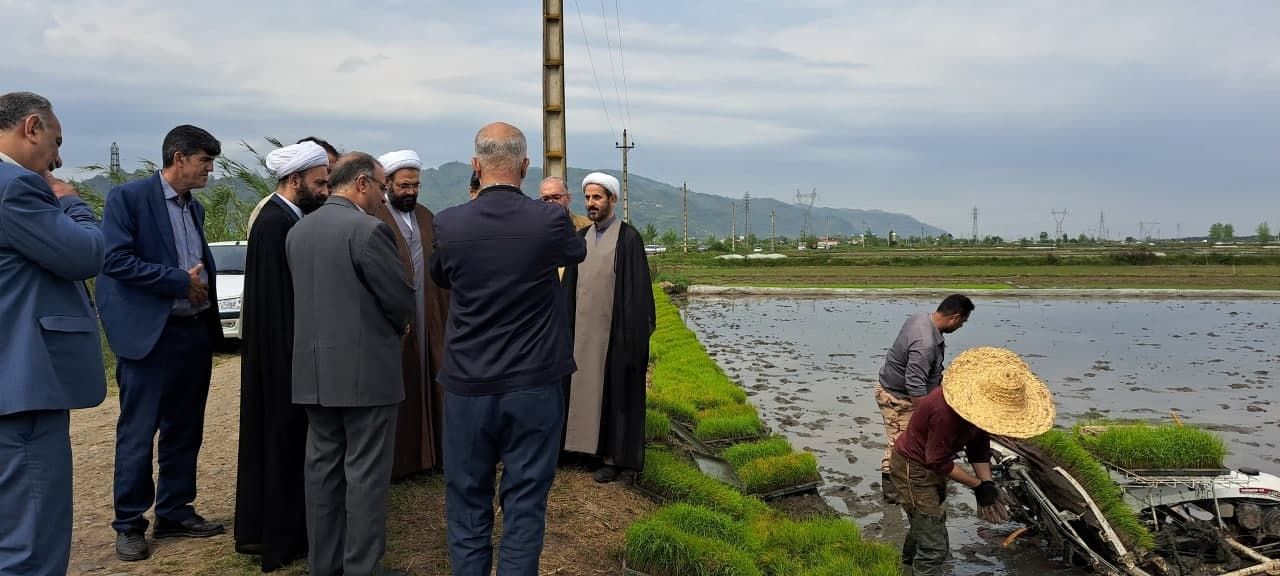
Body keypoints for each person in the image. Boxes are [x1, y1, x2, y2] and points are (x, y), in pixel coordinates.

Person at [429, 122, 585, 575]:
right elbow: (574, 253)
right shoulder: (550, 219)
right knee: (525, 500)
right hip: (534, 382)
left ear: (476, 165)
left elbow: (442, 275)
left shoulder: (450, 222)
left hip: (466, 383)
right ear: (524, 165)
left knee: (466, 497)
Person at [99, 124, 226, 562]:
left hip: (192, 333)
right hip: (149, 336)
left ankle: (174, 511)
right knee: (138, 432)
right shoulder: (128, 198)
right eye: (204, 161)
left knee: (185, 428)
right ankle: (130, 523)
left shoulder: (196, 208)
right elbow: (114, 260)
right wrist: (176, 282)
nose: (210, 170)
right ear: (178, 158)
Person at [287, 152, 414, 576]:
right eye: (381, 187)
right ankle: (362, 568)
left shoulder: (299, 231)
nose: (383, 197)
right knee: (365, 477)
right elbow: (398, 298)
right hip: (365, 376)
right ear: (362, 183)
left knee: (321, 475)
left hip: (312, 374)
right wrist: (402, 325)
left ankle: (324, 565)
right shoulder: (368, 230)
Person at [0, 91, 106, 576]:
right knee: (32, 541)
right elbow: (83, 256)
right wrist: (74, 206)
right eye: (56, 142)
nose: (58, 159)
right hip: (23, 387)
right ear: (33, 127)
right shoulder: (14, 187)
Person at [234, 141, 331, 571]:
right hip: (281, 357)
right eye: (320, 183)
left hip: (279, 353)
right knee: (281, 446)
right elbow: (280, 304)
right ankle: (282, 536)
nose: (326, 190)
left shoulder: (284, 217)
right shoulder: (276, 224)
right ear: (296, 181)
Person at [890, 346, 1054, 576]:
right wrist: (977, 486)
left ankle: (906, 567)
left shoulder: (977, 412)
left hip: (931, 464)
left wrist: (987, 483)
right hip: (914, 467)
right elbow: (935, 460)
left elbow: (978, 446)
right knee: (935, 545)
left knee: (927, 521)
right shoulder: (946, 413)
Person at [560, 172, 655, 483]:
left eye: (597, 197)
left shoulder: (629, 239)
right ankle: (582, 449)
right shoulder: (580, 238)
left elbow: (638, 294)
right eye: (588, 198)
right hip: (582, 334)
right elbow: (569, 288)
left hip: (615, 335)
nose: (592, 203)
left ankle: (614, 458)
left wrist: (632, 339)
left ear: (612, 200)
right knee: (580, 389)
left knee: (615, 393)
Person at [373, 149, 450, 479]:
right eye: (404, 185)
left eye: (415, 185)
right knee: (400, 383)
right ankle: (402, 462)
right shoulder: (375, 217)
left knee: (432, 377)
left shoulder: (426, 215)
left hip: (429, 315)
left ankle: (433, 455)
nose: (410, 192)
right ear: (387, 183)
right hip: (394, 319)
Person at [875, 294, 973, 503]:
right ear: (955, 317)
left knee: (904, 438)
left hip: (896, 386)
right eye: (963, 323)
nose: (961, 327)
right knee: (901, 442)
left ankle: (907, 478)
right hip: (898, 397)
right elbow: (915, 385)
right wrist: (927, 415)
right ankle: (892, 489)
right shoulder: (925, 344)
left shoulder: (920, 318)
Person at [246, 136, 339, 232]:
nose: (325, 192)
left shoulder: (287, 215)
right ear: (295, 180)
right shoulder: (275, 221)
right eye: (319, 183)